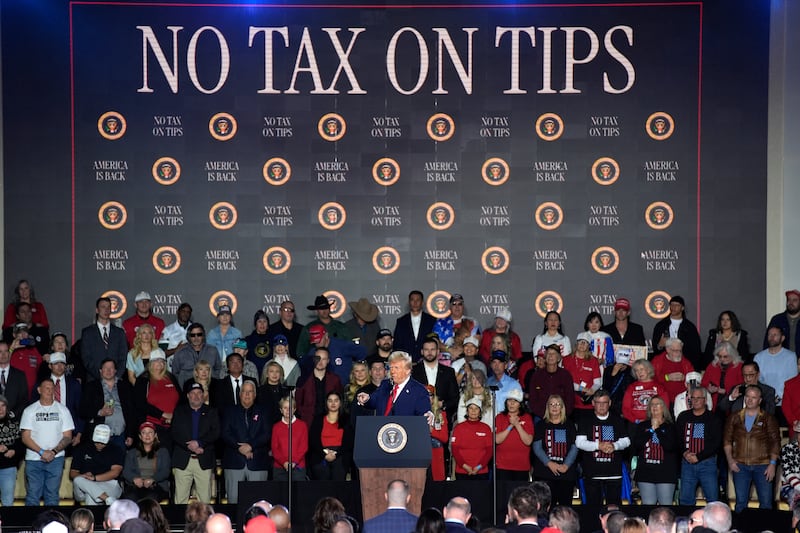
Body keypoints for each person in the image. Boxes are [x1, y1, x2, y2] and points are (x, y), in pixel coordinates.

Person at [723, 384, 780, 512]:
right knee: (740, 504)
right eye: (747, 396)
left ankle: (765, 530)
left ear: (760, 400)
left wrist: (772, 464)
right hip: (740, 465)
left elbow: (775, 442)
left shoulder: (768, 418)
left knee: (765, 503)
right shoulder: (735, 416)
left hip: (763, 465)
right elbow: (727, 440)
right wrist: (730, 460)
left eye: (753, 397)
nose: (750, 400)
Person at [20, 378, 75, 506]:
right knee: (33, 494)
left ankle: (51, 523)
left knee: (52, 495)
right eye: (47, 388)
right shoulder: (30, 410)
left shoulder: (63, 410)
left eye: (52, 388)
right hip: (34, 458)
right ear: (39, 390)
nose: (50, 391)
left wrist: (53, 451)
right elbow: (25, 437)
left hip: (56, 459)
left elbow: (67, 436)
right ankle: (31, 525)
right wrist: (41, 452)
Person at [575, 389, 630, 505]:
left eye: (604, 403)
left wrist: (614, 446)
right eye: (598, 403)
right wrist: (598, 445)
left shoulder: (617, 420)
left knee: (614, 510)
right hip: (592, 473)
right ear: (593, 404)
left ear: (609, 403)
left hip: (613, 473)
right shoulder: (585, 420)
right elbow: (579, 443)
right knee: (593, 510)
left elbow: (626, 441)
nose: (601, 406)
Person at [221, 380, 270, 503]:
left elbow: (266, 434)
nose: (247, 394)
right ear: (240, 394)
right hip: (234, 462)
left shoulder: (264, 411)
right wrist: (240, 448)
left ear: (255, 394)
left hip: (257, 462)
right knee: (233, 501)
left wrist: (251, 446)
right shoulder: (229, 411)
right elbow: (225, 433)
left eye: (250, 391)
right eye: (244, 391)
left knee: (258, 502)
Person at [171, 382, 220, 503]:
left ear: (203, 395)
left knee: (204, 500)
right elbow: (174, 433)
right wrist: (190, 447)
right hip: (183, 460)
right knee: (180, 499)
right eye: (193, 393)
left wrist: (199, 443)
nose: (196, 396)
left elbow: (216, 432)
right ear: (188, 395)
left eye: (199, 393)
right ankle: (181, 522)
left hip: (203, 459)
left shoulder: (211, 412)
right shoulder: (179, 411)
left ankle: (205, 522)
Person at [676, 386, 722, 505]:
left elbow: (716, 443)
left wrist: (699, 456)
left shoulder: (713, 418)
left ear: (705, 400)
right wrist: (685, 452)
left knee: (712, 500)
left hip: (707, 463)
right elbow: (678, 438)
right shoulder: (683, 417)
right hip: (687, 463)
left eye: (699, 398)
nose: (695, 401)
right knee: (685, 499)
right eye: (693, 398)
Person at [631, 396, 678, 504]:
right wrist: (651, 429)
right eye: (652, 404)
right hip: (646, 473)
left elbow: (670, 446)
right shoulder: (642, 426)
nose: (655, 407)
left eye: (658, 404)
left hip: (665, 474)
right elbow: (637, 445)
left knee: (665, 507)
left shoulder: (671, 427)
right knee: (648, 506)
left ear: (664, 408)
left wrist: (658, 430)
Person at [81, 358, 136, 451]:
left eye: (111, 368)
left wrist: (130, 434)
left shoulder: (125, 386)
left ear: (115, 371)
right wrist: (99, 412)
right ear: (100, 371)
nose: (109, 370)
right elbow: (82, 410)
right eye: (106, 368)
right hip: (98, 437)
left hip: (121, 435)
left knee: (119, 464)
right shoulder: (91, 387)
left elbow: (131, 412)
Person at [532, 394, 578, 506]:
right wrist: (549, 463)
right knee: (545, 508)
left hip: (566, 474)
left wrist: (566, 465)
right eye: (551, 404)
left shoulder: (570, 425)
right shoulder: (541, 425)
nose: (554, 407)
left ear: (562, 407)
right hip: (545, 473)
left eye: (557, 404)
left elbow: (574, 447)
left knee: (565, 509)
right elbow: (537, 447)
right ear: (547, 407)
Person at [357, 351, 433, 417]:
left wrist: (427, 416)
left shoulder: (419, 391)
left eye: (396, 368)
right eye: (391, 368)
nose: (392, 371)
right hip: (382, 431)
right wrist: (367, 399)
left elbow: (424, 417)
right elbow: (373, 401)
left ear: (407, 370)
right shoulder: (385, 385)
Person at [35, 350, 83, 445]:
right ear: (50, 366)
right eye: (56, 363)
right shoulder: (41, 384)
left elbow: (80, 410)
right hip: (45, 430)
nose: (60, 366)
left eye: (62, 363)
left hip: (69, 431)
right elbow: (34, 406)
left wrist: (79, 434)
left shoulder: (74, 384)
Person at [133, 353, 180, 450]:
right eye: (156, 360)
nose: (160, 363)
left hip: (172, 425)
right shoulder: (143, 380)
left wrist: (174, 415)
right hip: (152, 426)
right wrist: (163, 414)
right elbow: (140, 404)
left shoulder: (171, 378)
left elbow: (181, 399)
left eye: (162, 361)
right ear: (150, 363)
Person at [69, 424, 124, 505]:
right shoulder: (82, 449)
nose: (99, 445)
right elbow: (73, 473)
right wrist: (84, 476)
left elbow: (115, 472)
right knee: (78, 479)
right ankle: (107, 498)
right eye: (97, 442)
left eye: (103, 443)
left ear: (109, 438)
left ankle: (102, 498)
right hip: (84, 484)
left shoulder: (116, 450)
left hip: (108, 484)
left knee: (91, 496)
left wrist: (94, 478)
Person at [81, 297, 131, 381]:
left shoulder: (119, 333)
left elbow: (123, 358)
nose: (106, 310)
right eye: (103, 307)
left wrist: (116, 377)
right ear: (97, 310)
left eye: (108, 307)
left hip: (116, 381)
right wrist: (102, 376)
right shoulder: (87, 333)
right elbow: (86, 358)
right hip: (94, 380)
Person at [412, 335, 459, 423]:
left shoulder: (448, 372)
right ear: (422, 352)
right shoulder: (413, 372)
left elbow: (455, 398)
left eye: (432, 349)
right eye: (426, 350)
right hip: (418, 419)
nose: (429, 352)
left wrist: (442, 404)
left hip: (442, 420)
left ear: (438, 352)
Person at [308, 391, 353, 481]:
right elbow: (313, 440)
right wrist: (324, 453)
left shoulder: (347, 419)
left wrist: (335, 454)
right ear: (326, 403)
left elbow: (349, 442)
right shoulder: (318, 419)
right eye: (330, 401)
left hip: (340, 454)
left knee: (338, 479)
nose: (333, 403)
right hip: (321, 454)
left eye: (336, 400)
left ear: (340, 403)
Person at [122, 421, 171, 501]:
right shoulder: (132, 452)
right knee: (130, 498)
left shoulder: (163, 452)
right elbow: (126, 471)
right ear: (140, 436)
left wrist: (153, 479)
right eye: (144, 433)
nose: (147, 435)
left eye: (150, 432)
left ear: (155, 435)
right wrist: (134, 479)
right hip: (136, 486)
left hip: (156, 486)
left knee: (150, 499)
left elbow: (165, 471)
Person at [754, 325, 798, 412]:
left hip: (785, 403)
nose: (772, 337)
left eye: (775, 335)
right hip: (764, 402)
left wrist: (779, 397)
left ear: (782, 338)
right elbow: (757, 380)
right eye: (769, 334)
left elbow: (792, 380)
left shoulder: (790, 356)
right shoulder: (759, 357)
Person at [651, 296, 702, 369]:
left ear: (682, 308)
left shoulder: (690, 327)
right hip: (665, 364)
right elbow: (655, 349)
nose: (673, 307)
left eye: (677, 305)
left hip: (684, 364)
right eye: (672, 305)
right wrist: (660, 345)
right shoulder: (661, 325)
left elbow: (695, 350)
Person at [563, 332, 603, 424]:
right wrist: (582, 388)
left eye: (585, 342)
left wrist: (591, 390)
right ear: (576, 344)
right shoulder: (567, 360)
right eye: (580, 342)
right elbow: (565, 382)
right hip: (571, 402)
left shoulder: (593, 361)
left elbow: (597, 382)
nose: (582, 344)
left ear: (589, 346)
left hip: (588, 403)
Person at [296, 347, 343, 423]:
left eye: (324, 359)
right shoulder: (303, 380)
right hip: (309, 423)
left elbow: (340, 401)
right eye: (318, 358)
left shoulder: (335, 380)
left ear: (328, 361)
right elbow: (297, 403)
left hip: (330, 422)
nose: (320, 362)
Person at [495, 388, 533, 480]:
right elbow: (497, 440)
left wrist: (517, 425)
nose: (511, 403)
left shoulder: (527, 417)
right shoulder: (500, 417)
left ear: (520, 404)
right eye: (509, 400)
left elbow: (528, 441)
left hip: (521, 466)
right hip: (503, 465)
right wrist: (510, 426)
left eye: (515, 401)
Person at [451, 397, 492, 480]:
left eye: (476, 408)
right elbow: (454, 450)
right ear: (467, 411)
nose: (473, 411)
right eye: (471, 408)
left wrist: (479, 467)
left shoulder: (486, 428)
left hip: (481, 471)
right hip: (462, 471)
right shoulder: (458, 428)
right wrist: (465, 466)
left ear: (480, 412)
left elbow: (490, 451)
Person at [528, 345, 574, 419]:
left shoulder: (566, 375)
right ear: (545, 357)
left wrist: (562, 415)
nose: (551, 356)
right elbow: (533, 399)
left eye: (554, 354)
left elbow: (570, 399)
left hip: (562, 417)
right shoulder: (537, 375)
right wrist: (544, 415)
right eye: (548, 354)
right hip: (541, 416)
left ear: (559, 358)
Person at [171, 323, 223, 388]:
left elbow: (218, 369)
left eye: (199, 334)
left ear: (203, 336)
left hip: (210, 390)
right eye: (193, 335)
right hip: (188, 391)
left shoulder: (213, 350)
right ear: (189, 337)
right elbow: (175, 373)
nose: (196, 338)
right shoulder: (180, 352)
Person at [271, 395, 308, 480]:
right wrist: (284, 462)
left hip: (298, 467)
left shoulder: (302, 425)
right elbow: (274, 448)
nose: (288, 410)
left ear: (294, 409)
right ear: (281, 410)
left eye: (290, 407)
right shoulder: (276, 427)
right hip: (279, 468)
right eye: (285, 408)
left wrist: (293, 462)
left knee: (298, 492)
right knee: (280, 492)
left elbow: (304, 447)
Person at [393, 290, 436, 361]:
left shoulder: (431, 320)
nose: (415, 303)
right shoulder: (401, 321)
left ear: (422, 303)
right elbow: (397, 344)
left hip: (426, 361)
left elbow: (435, 342)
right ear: (409, 302)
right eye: (412, 300)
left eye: (418, 300)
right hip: (406, 363)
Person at [700, 341, 744, 410]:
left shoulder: (739, 367)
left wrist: (726, 391)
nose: (722, 359)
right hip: (713, 404)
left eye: (725, 356)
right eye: (720, 356)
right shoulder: (712, 366)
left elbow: (742, 388)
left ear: (733, 355)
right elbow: (703, 385)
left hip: (733, 406)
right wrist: (708, 389)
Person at [622, 360, 667, 424]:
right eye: (636, 370)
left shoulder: (659, 387)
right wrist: (636, 420)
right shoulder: (631, 387)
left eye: (641, 369)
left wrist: (657, 420)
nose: (639, 372)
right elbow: (625, 409)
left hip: (655, 422)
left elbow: (665, 406)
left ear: (648, 370)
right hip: (636, 423)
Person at [652, 337, 694, 403]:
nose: (679, 353)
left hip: (682, 400)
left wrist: (685, 378)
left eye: (680, 351)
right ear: (667, 349)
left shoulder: (686, 363)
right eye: (676, 351)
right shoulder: (658, 361)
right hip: (662, 400)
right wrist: (667, 377)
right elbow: (651, 379)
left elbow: (693, 380)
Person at [0, 395, 22, 506]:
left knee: (7, 503)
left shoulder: (14, 422)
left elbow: (21, 443)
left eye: (3, 406)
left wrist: (14, 450)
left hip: (8, 468)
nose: (1, 409)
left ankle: (5, 524)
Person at [9, 322, 42, 393]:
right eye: (20, 333)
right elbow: (3, 365)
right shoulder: (8, 349)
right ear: (14, 335)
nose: (23, 335)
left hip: (32, 392)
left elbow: (40, 367)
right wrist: (11, 349)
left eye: (25, 332)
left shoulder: (34, 350)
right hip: (15, 392)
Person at [601, 350, 634, 418]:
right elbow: (605, 388)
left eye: (624, 364)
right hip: (611, 404)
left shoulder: (631, 372)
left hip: (625, 404)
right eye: (620, 363)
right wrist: (613, 374)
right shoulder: (609, 369)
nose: (621, 366)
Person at [426, 385, 449, 481]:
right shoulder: (414, 413)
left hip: (435, 453)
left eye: (430, 395)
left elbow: (444, 437)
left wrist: (432, 431)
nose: (427, 398)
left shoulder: (440, 415)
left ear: (434, 398)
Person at [246, 310, 271, 377]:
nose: (262, 324)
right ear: (255, 324)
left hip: (269, 375)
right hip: (252, 374)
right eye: (259, 321)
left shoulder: (273, 340)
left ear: (268, 324)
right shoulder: (248, 340)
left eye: (264, 321)